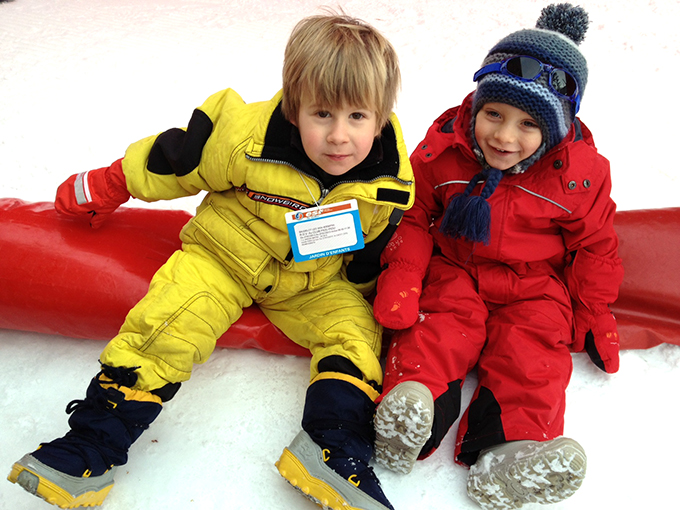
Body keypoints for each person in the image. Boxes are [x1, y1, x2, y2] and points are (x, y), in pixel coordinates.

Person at [8, 12, 414, 510]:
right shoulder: (245, 138)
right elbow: (176, 158)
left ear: (381, 115)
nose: (338, 136)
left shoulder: (389, 181)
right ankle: (91, 445)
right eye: (322, 114)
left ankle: (334, 450)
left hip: (314, 280)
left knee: (356, 338)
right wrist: (107, 185)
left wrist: (373, 287)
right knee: (170, 322)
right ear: (293, 108)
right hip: (224, 257)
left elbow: (375, 241)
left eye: (357, 117)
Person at [370, 4, 623, 509]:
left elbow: (595, 243)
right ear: (476, 106)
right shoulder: (444, 150)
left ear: (559, 127)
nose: (504, 137)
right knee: (438, 326)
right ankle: (410, 412)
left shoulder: (580, 173)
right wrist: (404, 273)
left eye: (528, 123)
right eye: (494, 114)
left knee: (535, 355)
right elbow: (415, 213)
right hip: (456, 265)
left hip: (534, 283)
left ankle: (510, 455)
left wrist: (593, 310)